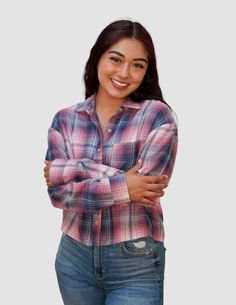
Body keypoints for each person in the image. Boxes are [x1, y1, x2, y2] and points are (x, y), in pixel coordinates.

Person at [44, 19, 178, 305]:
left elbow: (146, 187)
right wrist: (123, 185)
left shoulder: (157, 116)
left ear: (147, 72)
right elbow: (58, 194)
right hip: (73, 257)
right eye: (115, 59)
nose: (124, 73)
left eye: (137, 65)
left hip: (135, 261)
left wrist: (74, 169)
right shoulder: (65, 119)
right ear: (97, 58)